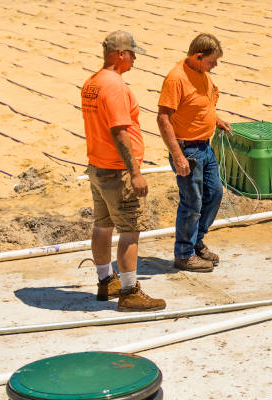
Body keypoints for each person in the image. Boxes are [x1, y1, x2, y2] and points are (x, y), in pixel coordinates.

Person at [81, 31, 166, 311]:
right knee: (130, 231)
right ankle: (130, 292)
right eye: (132, 53)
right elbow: (119, 131)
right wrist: (135, 173)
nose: (134, 58)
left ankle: (106, 281)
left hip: (98, 167)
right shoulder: (114, 85)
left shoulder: (91, 83)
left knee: (102, 226)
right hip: (118, 172)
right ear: (120, 54)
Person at [157, 33, 231, 272]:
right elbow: (163, 118)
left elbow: (202, 104)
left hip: (205, 147)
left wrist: (214, 119)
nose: (215, 66)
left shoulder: (202, 75)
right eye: (211, 61)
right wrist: (178, 155)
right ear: (198, 56)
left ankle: (196, 242)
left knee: (215, 193)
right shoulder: (176, 78)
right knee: (192, 203)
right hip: (187, 149)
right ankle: (184, 254)